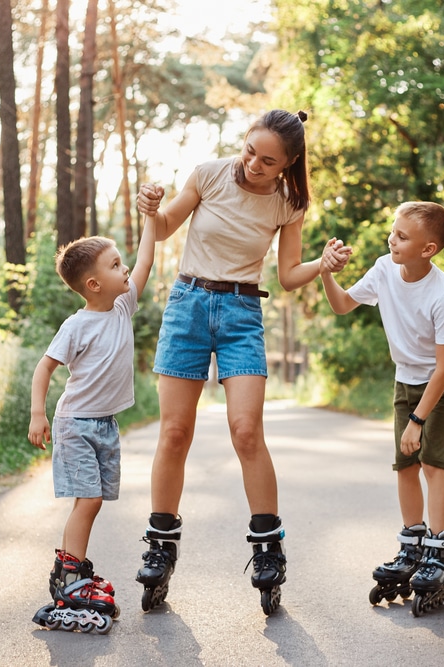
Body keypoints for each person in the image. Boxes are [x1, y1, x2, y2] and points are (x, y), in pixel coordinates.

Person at [133, 109, 350, 615]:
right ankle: (161, 544)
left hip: (242, 313)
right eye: (250, 150)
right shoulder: (209, 172)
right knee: (174, 433)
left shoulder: (289, 203)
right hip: (187, 305)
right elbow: (164, 228)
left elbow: (291, 273)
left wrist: (326, 264)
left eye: (267, 160)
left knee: (246, 430)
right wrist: (150, 207)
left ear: (287, 165)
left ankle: (269, 547)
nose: (252, 164)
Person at [319, 201, 444, 612]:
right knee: (406, 464)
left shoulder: (441, 294)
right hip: (407, 377)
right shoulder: (385, 268)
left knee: (434, 465)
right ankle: (411, 545)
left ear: (429, 249)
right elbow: (342, 304)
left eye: (403, 236)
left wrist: (417, 420)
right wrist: (325, 273)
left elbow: (443, 367)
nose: (392, 239)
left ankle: (438, 552)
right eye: (393, 231)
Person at [27, 215, 156, 633]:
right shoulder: (77, 324)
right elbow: (44, 368)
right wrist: (37, 414)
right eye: (116, 265)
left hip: (105, 425)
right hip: (75, 424)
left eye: (121, 263)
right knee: (89, 501)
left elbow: (146, 264)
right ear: (94, 284)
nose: (125, 271)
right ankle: (71, 578)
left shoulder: (123, 307)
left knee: (94, 499)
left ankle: (70, 573)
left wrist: (151, 220)